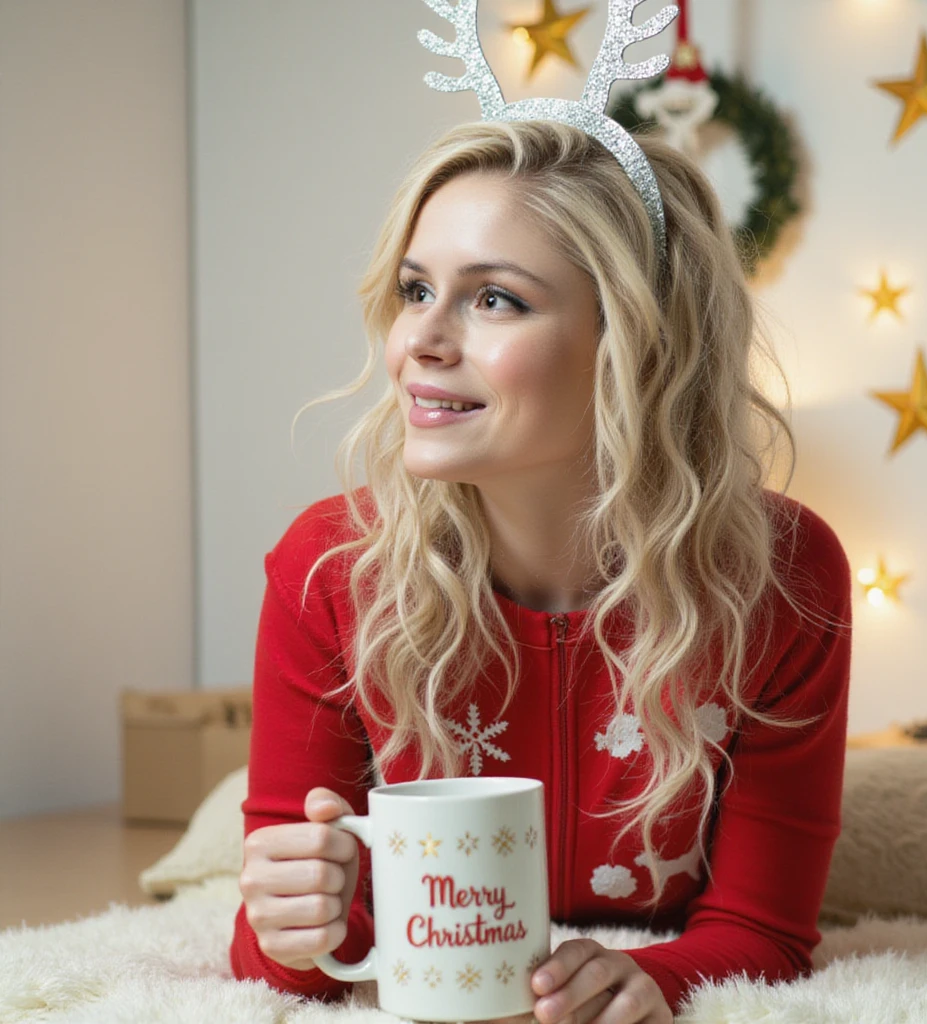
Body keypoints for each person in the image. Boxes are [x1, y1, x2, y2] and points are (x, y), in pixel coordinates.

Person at [230, 119, 852, 1022]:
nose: (419, 344)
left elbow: (764, 930)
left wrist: (658, 979)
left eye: (495, 301)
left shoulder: (784, 578)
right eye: (415, 290)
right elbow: (283, 963)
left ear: (637, 340)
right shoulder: (327, 570)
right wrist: (292, 924)